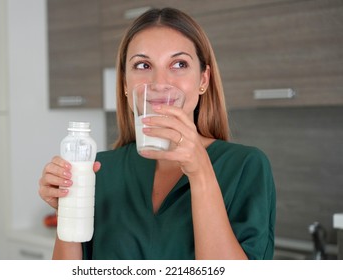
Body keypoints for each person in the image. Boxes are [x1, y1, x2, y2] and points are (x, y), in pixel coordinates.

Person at [38, 7, 276, 260]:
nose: (159, 82)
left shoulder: (246, 166)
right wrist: (68, 210)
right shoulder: (97, 169)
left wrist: (200, 172)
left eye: (179, 64)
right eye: (143, 65)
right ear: (125, 83)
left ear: (203, 80)